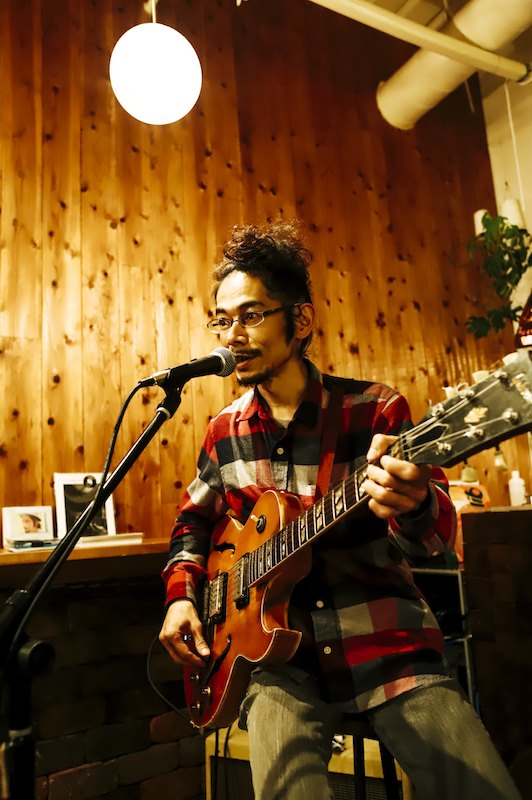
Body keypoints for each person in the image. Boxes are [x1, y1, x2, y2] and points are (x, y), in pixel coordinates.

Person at [159, 221, 521, 800]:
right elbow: (192, 523)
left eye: (251, 315)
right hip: (280, 666)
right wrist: (182, 596)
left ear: (300, 320)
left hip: (388, 645)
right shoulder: (223, 431)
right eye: (222, 320)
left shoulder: (375, 410)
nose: (232, 335)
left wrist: (416, 503)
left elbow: (434, 540)